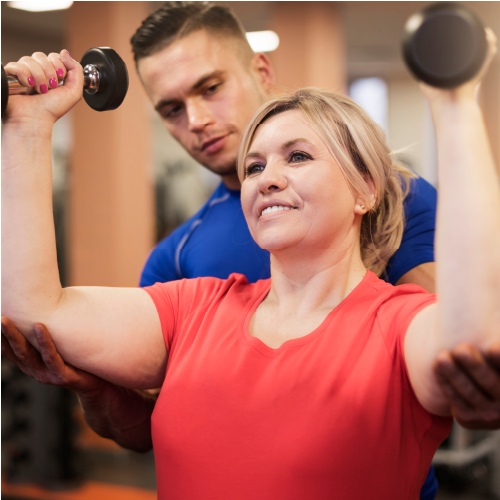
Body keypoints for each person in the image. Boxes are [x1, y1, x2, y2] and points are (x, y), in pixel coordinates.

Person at [1, 2, 500, 498]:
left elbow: (468, 339)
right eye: (254, 167)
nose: (267, 180)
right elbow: (37, 313)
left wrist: (453, 102)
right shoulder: (191, 301)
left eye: (298, 157)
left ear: (366, 189)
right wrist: (26, 128)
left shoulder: (395, 319)